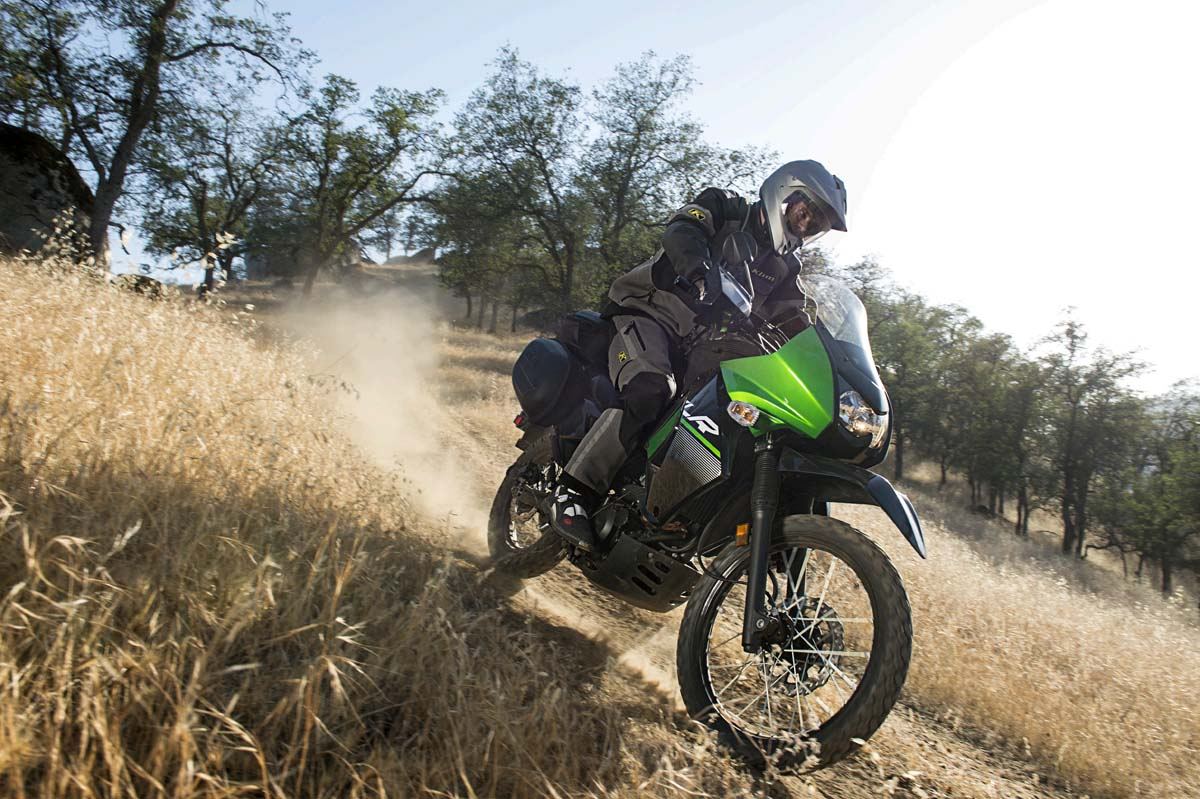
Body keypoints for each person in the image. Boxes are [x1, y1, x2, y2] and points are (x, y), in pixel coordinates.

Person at [550, 160, 849, 552]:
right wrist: (698, 271)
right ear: (784, 195)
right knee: (651, 388)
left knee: (727, 420)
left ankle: (668, 508)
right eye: (804, 213)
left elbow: (795, 320)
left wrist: (835, 358)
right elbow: (682, 231)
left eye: (816, 224)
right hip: (648, 316)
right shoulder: (725, 209)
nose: (806, 226)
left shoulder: (785, 269)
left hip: (703, 348)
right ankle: (572, 493)